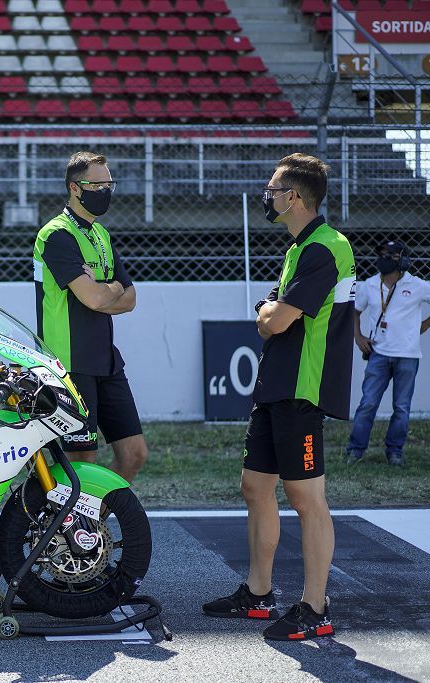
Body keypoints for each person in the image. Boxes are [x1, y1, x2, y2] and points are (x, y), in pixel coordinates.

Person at [202, 153, 355, 641]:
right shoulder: (300, 248)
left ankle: (315, 608)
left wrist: (270, 312)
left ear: (294, 196)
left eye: (273, 188)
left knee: (307, 498)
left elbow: (275, 319)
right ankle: (259, 593)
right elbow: (270, 313)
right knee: (254, 486)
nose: (267, 196)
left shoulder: (325, 248)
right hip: (276, 386)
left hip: (302, 389)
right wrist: (270, 311)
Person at [33, 151, 147, 483]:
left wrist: (103, 290)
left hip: (106, 361)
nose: (105, 190)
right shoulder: (56, 235)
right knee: (81, 457)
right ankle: (61, 529)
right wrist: (107, 290)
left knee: (135, 454)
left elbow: (129, 299)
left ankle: (90, 523)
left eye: (109, 183)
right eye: (96, 184)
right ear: (75, 188)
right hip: (69, 364)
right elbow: (95, 297)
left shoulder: (101, 235)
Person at [348, 240, 429, 467]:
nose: (384, 258)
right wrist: (359, 337)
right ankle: (355, 450)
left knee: (401, 408)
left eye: (390, 255)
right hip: (378, 354)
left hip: (408, 355)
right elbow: (354, 312)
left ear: (403, 259)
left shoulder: (417, 285)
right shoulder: (370, 284)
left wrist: (425, 323)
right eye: (382, 254)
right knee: (367, 404)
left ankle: (395, 452)